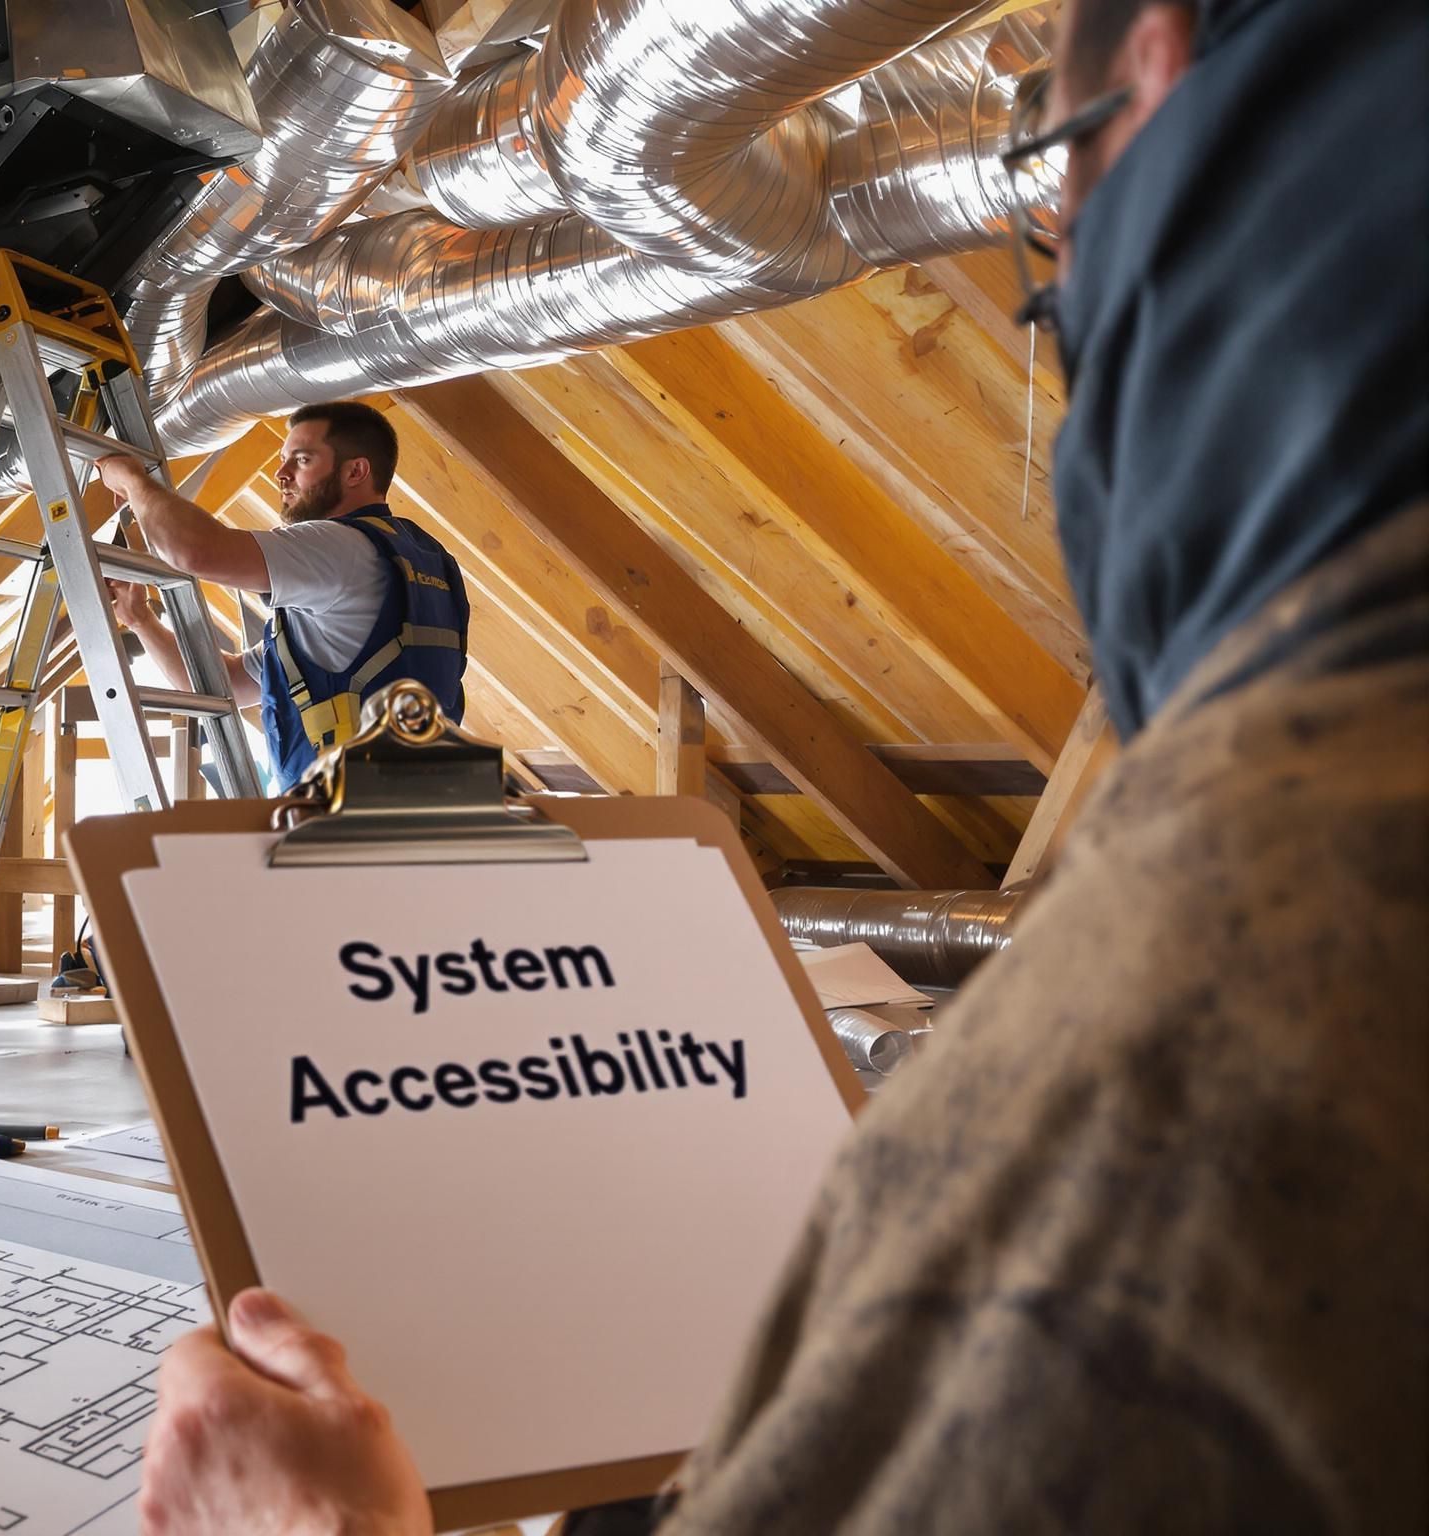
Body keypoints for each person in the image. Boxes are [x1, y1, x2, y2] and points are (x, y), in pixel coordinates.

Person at [135, 0, 1429, 1529]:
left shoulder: (1217, 1032)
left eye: (1059, 234)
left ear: (1152, 81)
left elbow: (197, 546)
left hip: (329, 854)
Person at [93, 401, 470, 789]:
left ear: (355, 471)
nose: (281, 474)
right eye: (283, 459)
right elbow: (225, 684)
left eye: (302, 460)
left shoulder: (338, 546)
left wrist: (134, 482)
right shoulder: (421, 559)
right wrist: (141, 620)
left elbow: (196, 551)